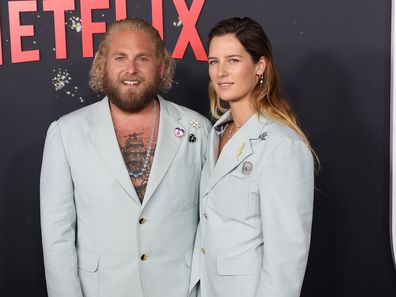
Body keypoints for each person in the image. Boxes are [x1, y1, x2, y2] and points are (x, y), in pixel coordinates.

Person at [40, 17, 210, 297]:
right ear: (103, 64)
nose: (131, 69)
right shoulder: (66, 133)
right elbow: (56, 237)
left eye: (142, 58)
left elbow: (210, 222)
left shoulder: (197, 128)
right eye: (120, 57)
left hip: (178, 289)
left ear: (161, 65)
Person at [189, 17, 315, 297]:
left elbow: (286, 257)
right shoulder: (215, 133)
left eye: (233, 60)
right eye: (213, 61)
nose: (221, 71)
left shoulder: (283, 147)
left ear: (260, 65)